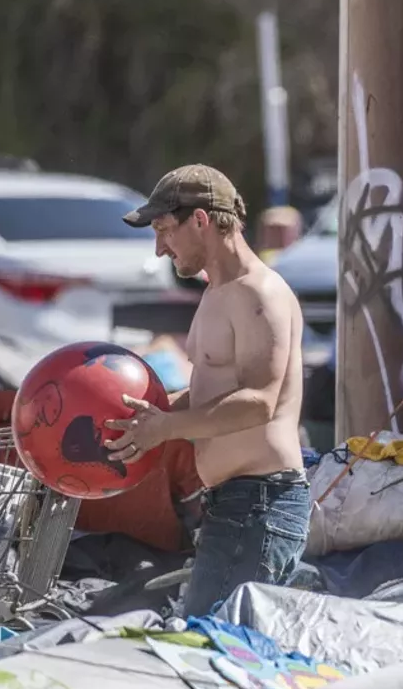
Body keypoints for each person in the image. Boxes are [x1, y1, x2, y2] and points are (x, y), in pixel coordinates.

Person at [106, 165, 309, 617]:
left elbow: (259, 402)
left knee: (213, 653)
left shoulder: (259, 294)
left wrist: (168, 427)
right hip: (233, 506)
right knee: (214, 651)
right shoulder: (219, 293)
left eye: (163, 230)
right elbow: (210, 395)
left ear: (200, 220)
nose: (159, 249)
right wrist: (146, 415)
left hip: (260, 506)